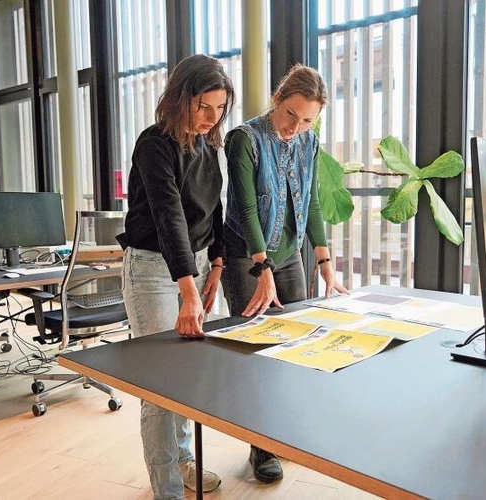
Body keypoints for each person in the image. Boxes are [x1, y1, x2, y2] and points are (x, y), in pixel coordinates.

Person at [222, 63, 347, 483]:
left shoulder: (309, 142)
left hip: (291, 253)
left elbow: (309, 202)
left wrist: (325, 261)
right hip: (246, 256)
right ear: (278, 100)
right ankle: (261, 447)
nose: (297, 126)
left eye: (308, 119)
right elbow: (246, 208)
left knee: (296, 345)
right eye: (291, 114)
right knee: (258, 351)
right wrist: (261, 265)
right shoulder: (245, 139)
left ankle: (281, 433)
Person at [118, 54, 234, 499]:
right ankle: (165, 489)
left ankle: (184, 460)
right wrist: (188, 291)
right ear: (180, 98)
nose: (212, 117)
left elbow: (214, 211)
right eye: (204, 107)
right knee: (159, 384)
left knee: (188, 377)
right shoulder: (155, 144)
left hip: (199, 265)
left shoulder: (208, 147)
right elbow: (169, 219)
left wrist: (216, 267)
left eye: (220, 108)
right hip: (153, 269)